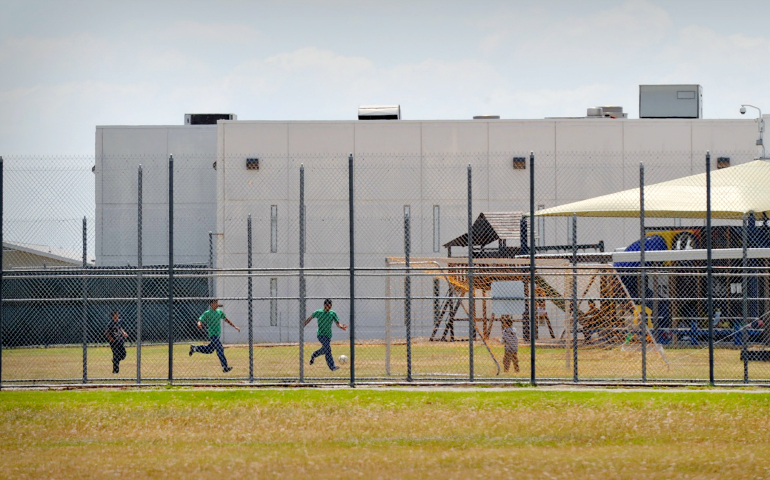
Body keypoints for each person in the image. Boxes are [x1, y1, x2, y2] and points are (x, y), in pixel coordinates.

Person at [189, 300, 240, 373]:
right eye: (215, 303)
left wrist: (235, 326)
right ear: (211, 304)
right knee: (220, 349)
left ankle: (195, 348)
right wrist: (199, 324)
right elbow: (200, 319)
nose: (216, 304)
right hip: (212, 334)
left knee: (209, 350)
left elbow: (226, 319)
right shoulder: (208, 313)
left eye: (217, 303)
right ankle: (225, 367)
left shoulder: (219, 312)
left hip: (218, 334)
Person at [304, 298, 347, 371]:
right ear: (324, 305)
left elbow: (337, 322)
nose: (329, 308)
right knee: (328, 349)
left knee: (326, 349)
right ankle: (332, 366)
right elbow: (310, 318)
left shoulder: (332, 313)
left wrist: (341, 326)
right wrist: (304, 324)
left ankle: (314, 354)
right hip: (321, 334)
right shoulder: (318, 312)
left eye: (330, 306)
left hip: (328, 335)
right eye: (327, 306)